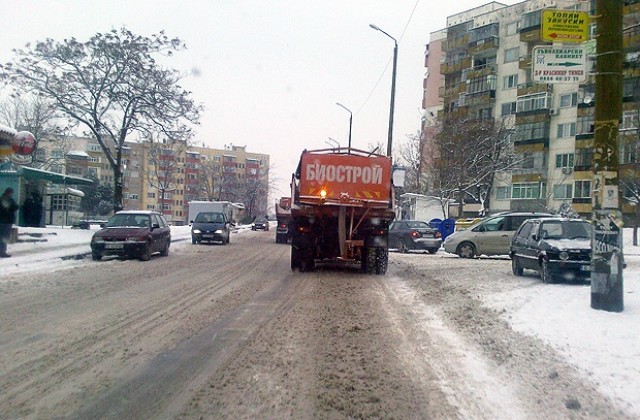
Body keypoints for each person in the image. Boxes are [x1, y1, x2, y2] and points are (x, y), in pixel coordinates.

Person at [0, 187, 20, 258]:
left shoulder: (1, 198)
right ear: (10, 193)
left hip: (1, 221)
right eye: (12, 193)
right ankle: (2, 252)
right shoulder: (9, 200)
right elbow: (16, 207)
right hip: (6, 221)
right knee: (4, 237)